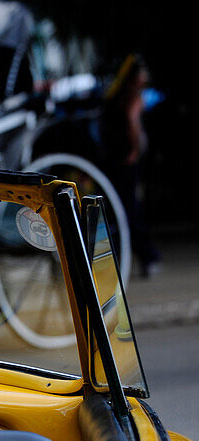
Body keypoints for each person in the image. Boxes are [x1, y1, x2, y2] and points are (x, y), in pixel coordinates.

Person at [102, 54, 159, 276]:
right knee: (128, 211)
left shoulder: (115, 97)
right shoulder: (130, 99)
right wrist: (135, 152)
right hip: (126, 163)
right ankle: (144, 256)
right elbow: (133, 125)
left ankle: (128, 257)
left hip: (118, 163)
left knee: (122, 211)